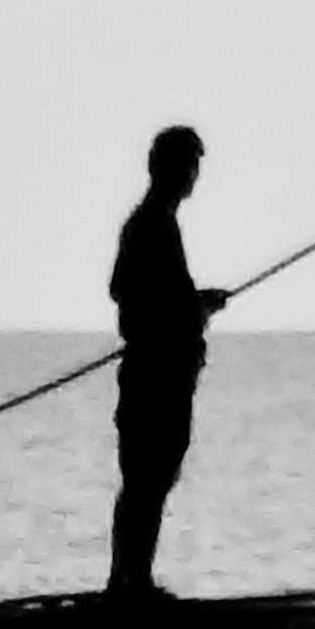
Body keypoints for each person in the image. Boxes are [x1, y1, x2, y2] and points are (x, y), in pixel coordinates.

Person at [106, 125, 226, 602]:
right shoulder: (153, 223)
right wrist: (196, 309)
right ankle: (128, 582)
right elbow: (137, 295)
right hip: (156, 378)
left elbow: (137, 291)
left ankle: (131, 579)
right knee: (147, 480)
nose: (193, 176)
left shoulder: (151, 223)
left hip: (156, 375)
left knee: (149, 480)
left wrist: (195, 303)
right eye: (190, 166)